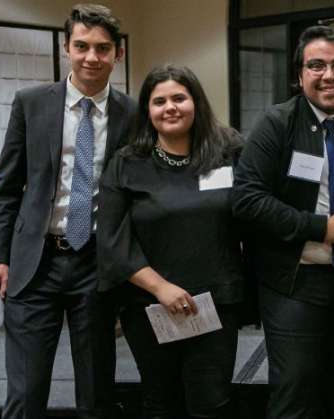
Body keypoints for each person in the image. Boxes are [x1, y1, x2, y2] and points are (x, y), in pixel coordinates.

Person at [232, 25, 334, 419]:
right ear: (300, 74)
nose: (329, 75)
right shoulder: (276, 124)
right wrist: (320, 227)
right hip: (295, 282)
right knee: (295, 392)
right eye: (316, 65)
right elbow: (247, 200)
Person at [0, 4, 135, 418]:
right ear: (66, 48)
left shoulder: (133, 113)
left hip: (96, 263)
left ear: (117, 54)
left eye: (103, 48)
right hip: (35, 263)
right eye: (82, 46)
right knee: (26, 391)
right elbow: (5, 191)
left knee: (96, 391)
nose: (92, 57)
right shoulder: (31, 102)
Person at [97, 64, 244, 419]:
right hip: (149, 305)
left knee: (212, 402)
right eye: (159, 101)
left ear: (196, 101)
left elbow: (259, 208)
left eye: (179, 97)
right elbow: (112, 238)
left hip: (216, 304)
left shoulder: (230, 150)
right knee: (160, 402)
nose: (170, 107)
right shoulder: (128, 162)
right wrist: (161, 288)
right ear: (147, 110)